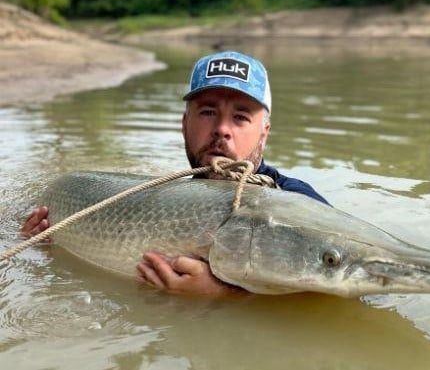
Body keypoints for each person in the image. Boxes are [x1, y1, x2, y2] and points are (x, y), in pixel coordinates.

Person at [21, 51, 329, 298]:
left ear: (264, 133)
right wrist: (45, 246)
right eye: (208, 112)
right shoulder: (173, 194)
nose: (222, 129)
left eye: (240, 117)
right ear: (185, 125)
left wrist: (225, 292)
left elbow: (336, 285)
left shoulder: (295, 200)